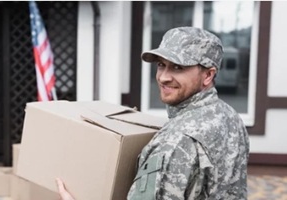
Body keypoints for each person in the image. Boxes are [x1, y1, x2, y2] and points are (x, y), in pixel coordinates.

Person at [56, 26, 249, 200]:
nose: (163, 77)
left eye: (178, 67)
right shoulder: (230, 118)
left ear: (208, 75)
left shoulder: (175, 141)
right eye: (161, 65)